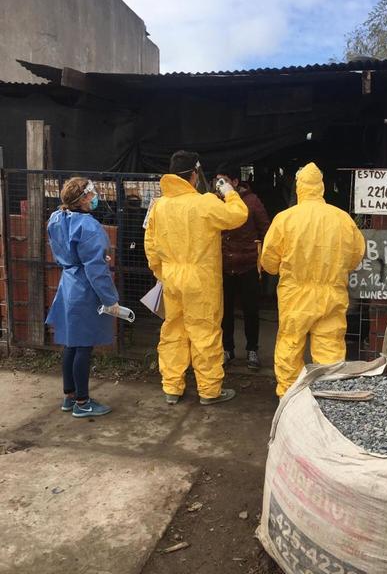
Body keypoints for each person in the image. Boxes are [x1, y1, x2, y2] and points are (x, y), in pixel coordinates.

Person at [144, 151, 248, 405]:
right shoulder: (205, 203)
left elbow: (151, 244)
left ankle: (172, 387)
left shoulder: (159, 205)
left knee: (173, 331)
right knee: (204, 332)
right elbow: (238, 215)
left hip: (171, 276)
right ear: (193, 174)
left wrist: (161, 273)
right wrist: (229, 191)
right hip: (201, 280)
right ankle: (210, 391)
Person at [261, 162, 365, 397]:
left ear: (299, 188)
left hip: (295, 294)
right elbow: (356, 256)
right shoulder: (342, 219)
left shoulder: (285, 219)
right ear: (322, 187)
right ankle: (328, 399)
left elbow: (268, 262)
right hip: (332, 293)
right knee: (330, 348)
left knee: (290, 345)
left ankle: (288, 398)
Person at [46, 177, 120, 417]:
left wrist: (92, 259)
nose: (95, 196)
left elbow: (69, 251)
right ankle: (83, 402)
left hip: (68, 282)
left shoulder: (57, 218)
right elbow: (96, 270)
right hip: (85, 288)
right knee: (84, 346)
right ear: (84, 198)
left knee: (71, 341)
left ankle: (69, 395)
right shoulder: (88, 225)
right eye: (92, 193)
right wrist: (110, 299)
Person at [215, 163, 270, 370]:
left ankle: (252, 350)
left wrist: (263, 259)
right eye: (217, 182)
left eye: (224, 181)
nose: (219, 186)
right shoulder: (215, 202)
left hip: (247, 264)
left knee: (251, 310)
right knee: (224, 310)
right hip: (223, 265)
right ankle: (227, 349)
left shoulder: (252, 202)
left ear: (236, 182)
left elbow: (266, 230)